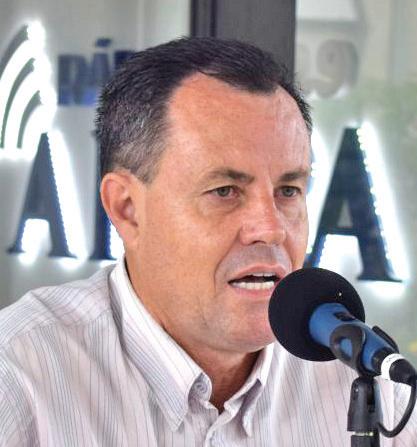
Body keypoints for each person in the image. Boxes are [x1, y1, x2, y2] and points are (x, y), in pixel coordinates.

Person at [0, 37, 415, 446]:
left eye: (288, 191)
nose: (270, 228)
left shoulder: (365, 378)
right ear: (127, 209)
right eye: (224, 191)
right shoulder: (18, 376)